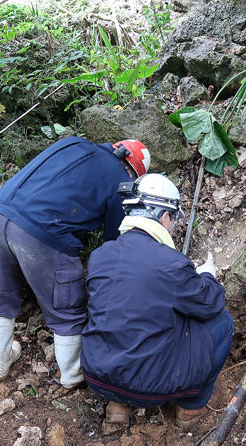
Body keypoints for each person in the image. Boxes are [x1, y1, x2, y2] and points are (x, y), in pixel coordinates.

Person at [0, 136, 151, 388]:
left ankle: (0, 362)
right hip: (42, 230)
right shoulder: (121, 181)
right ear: (134, 171)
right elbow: (114, 243)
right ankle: (72, 373)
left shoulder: (73, 143)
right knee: (66, 304)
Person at [81, 173, 234, 427]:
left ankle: (117, 404)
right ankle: (192, 407)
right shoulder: (171, 263)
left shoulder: (100, 255)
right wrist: (207, 274)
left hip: (97, 377)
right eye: (173, 219)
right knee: (223, 322)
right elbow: (210, 304)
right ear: (165, 216)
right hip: (149, 389)